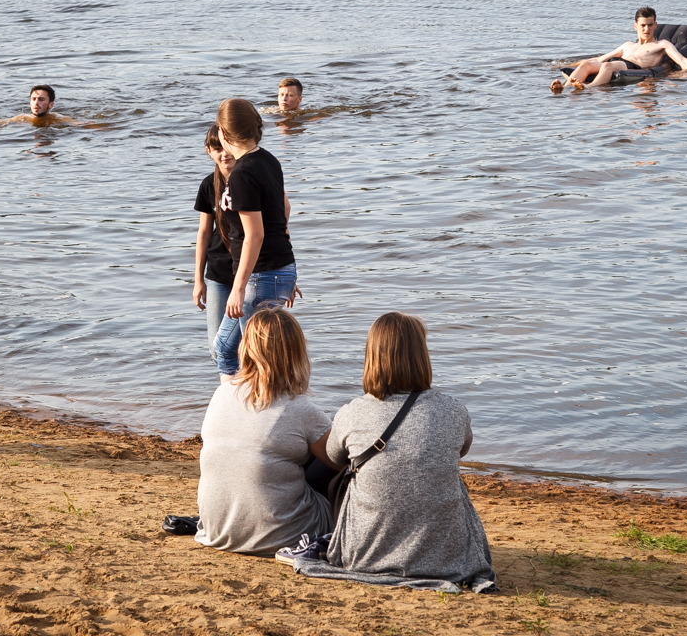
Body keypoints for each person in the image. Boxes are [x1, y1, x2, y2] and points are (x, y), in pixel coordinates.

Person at [287, 312, 496, 591]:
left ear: (371, 356)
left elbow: (334, 459)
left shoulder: (352, 412)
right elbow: (460, 450)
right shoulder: (454, 410)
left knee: (345, 463)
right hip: (449, 557)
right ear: (422, 356)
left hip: (364, 553)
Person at [195, 308, 336, 555]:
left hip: (215, 530)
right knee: (334, 457)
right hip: (280, 535)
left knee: (281, 451)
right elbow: (341, 460)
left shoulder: (222, 393)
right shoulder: (300, 408)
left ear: (245, 348)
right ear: (295, 353)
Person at [211, 98, 297, 382]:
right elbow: (283, 212)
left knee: (233, 350)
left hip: (260, 275)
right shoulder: (268, 159)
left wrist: (238, 288)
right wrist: (284, 269)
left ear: (223, 133)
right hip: (276, 270)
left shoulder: (242, 174)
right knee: (259, 355)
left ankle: (241, 417)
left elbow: (256, 234)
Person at [551, 7, 687, 92]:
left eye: (650, 25)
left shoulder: (662, 44)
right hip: (616, 62)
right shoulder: (628, 45)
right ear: (636, 26)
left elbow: (682, 61)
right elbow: (599, 59)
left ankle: (588, 87)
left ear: (655, 25)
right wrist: (563, 65)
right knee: (587, 64)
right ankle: (564, 88)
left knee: (608, 65)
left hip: (632, 66)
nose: (646, 29)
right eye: (643, 25)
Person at [192, 125, 236, 358]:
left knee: (250, 344)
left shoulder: (249, 180)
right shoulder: (208, 185)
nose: (224, 153)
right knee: (217, 347)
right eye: (217, 148)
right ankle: (230, 392)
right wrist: (198, 279)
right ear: (208, 151)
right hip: (218, 273)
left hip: (251, 272)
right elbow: (203, 233)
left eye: (227, 146)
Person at [0, 85, 78, 125]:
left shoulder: (59, 119)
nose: (36, 103)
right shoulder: (22, 118)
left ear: (51, 105)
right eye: (33, 99)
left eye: (41, 99)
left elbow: (82, 124)